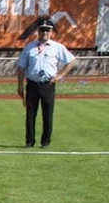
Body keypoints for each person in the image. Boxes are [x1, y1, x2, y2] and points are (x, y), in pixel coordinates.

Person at [16, 17, 76, 150]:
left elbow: (71, 61)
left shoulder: (57, 47)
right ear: (38, 31)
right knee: (30, 114)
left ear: (51, 32)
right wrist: (20, 85)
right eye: (42, 30)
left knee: (47, 113)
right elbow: (21, 67)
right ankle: (29, 141)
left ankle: (45, 141)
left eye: (47, 30)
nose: (45, 33)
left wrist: (60, 76)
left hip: (47, 85)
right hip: (32, 84)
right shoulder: (29, 48)